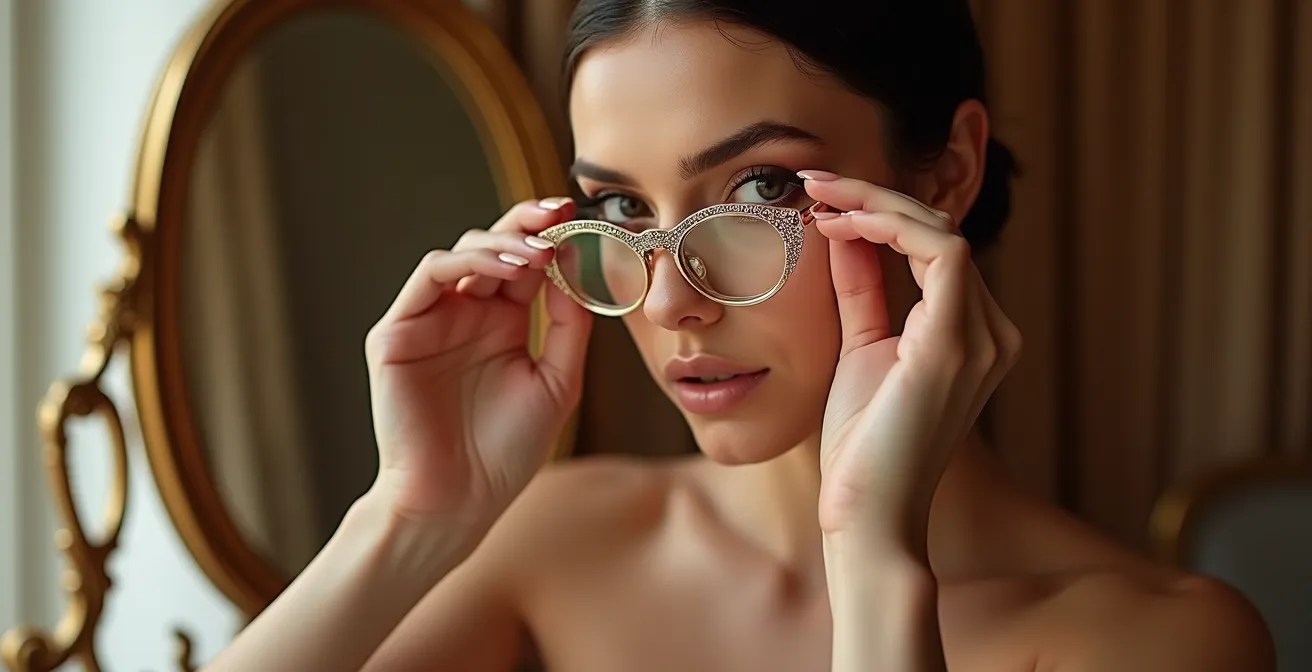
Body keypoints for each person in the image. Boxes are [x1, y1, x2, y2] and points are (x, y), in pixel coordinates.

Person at [204, 1, 1276, 670]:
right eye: (622, 211)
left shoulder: (1164, 641)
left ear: (946, 167)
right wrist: (405, 522)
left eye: (759, 189)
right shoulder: (553, 543)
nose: (672, 300)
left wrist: (871, 557)